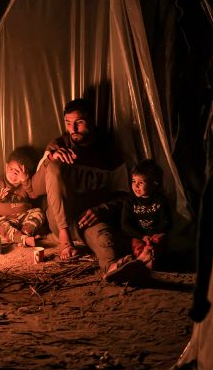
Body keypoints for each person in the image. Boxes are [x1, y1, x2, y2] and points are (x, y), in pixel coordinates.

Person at [31, 98, 147, 281]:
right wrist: (49, 159)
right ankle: (65, 241)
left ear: (91, 122)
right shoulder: (58, 145)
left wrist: (101, 210)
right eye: (68, 123)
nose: (73, 130)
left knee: (104, 239)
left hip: (88, 218)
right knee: (54, 167)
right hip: (60, 217)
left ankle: (112, 268)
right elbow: (35, 189)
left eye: (79, 123)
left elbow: (125, 195)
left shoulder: (109, 152)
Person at [0, 147, 45, 247]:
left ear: (26, 173)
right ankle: (23, 239)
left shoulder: (25, 184)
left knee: (39, 212)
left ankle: (23, 236)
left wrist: (25, 181)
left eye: (18, 172)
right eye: (11, 169)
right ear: (6, 166)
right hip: (6, 218)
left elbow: (33, 195)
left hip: (24, 217)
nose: (13, 174)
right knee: (0, 224)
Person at [120, 159, 173, 270]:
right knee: (137, 246)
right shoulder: (129, 201)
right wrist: (142, 237)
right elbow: (125, 225)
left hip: (154, 235)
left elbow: (166, 222)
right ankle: (141, 259)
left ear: (154, 184)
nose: (136, 186)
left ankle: (150, 261)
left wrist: (151, 236)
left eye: (141, 183)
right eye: (134, 181)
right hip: (139, 235)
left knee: (157, 242)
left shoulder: (160, 200)